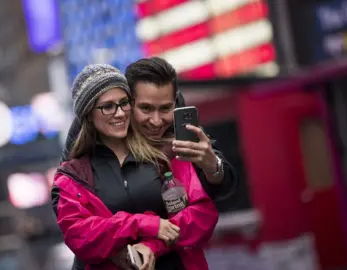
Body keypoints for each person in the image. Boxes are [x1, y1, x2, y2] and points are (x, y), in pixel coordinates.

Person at [52, 64, 218, 270]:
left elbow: (202, 215)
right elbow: (79, 236)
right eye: (108, 106)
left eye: (124, 103)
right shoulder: (73, 175)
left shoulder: (168, 152)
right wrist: (142, 224)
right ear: (88, 114)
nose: (120, 113)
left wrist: (152, 245)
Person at [61, 57, 237, 203]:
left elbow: (224, 188)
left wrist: (213, 168)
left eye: (165, 109)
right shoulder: (97, 133)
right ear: (128, 101)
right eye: (145, 108)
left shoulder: (184, 132)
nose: (156, 121)